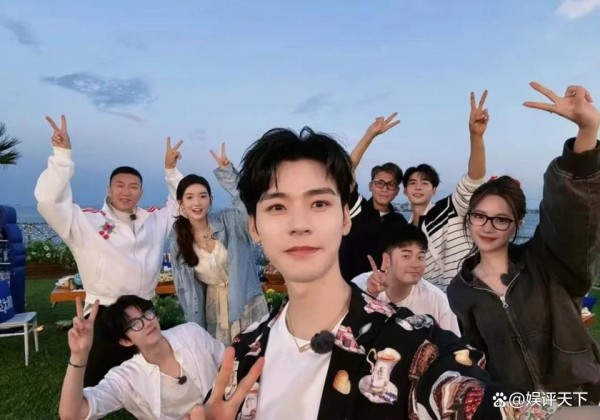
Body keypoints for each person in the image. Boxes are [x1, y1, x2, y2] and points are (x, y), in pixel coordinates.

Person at [198, 125, 565, 419]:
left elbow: (491, 404)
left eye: (319, 203)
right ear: (254, 227)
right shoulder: (243, 355)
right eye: (277, 207)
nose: (299, 224)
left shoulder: (412, 345)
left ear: (345, 218)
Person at [448, 82, 600, 402]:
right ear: (469, 218)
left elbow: (571, 217)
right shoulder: (460, 289)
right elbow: (476, 359)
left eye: (501, 219)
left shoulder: (545, 261)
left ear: (516, 225)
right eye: (480, 216)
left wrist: (587, 132)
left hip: (578, 399)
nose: (488, 227)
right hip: (516, 409)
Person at [34, 115, 184, 386]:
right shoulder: (86, 221)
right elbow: (48, 202)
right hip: (103, 312)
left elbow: (178, 205)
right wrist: (62, 155)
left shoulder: (152, 220)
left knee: (148, 379)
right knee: (95, 383)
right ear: (109, 188)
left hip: (144, 311)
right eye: (120, 185)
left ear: (141, 192)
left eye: (133, 186)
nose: (126, 192)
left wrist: (171, 171)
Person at [58, 296, 225, 420]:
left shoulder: (191, 334)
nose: (146, 323)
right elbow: (72, 415)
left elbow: (229, 363)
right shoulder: (127, 378)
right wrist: (79, 355)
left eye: (147, 314)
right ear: (125, 341)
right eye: (135, 324)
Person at [170, 143, 268, 344]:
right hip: (213, 313)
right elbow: (184, 289)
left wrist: (228, 174)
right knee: (222, 359)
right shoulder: (179, 240)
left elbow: (250, 207)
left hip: (246, 303)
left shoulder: (230, 221)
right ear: (181, 204)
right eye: (189, 197)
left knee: (255, 356)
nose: (197, 202)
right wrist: (195, 328)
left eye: (202, 196)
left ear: (210, 200)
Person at [403, 91, 489, 292]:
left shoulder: (450, 208)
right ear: (405, 191)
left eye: (425, 183)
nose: (418, 187)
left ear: (434, 190)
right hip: (431, 301)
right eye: (412, 183)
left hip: (465, 294)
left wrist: (476, 136)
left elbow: (474, 180)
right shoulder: (406, 230)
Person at [352, 222, 461, 336]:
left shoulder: (438, 301)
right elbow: (346, 332)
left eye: (420, 257)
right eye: (406, 256)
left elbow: (454, 345)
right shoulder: (359, 285)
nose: (415, 264)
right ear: (387, 259)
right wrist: (370, 295)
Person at [339, 113, 407, 281]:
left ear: (397, 191)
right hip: (349, 286)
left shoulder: (399, 222)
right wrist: (370, 136)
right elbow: (346, 170)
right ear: (370, 186)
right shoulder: (355, 207)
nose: (384, 189)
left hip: (383, 289)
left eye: (391, 185)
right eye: (379, 183)